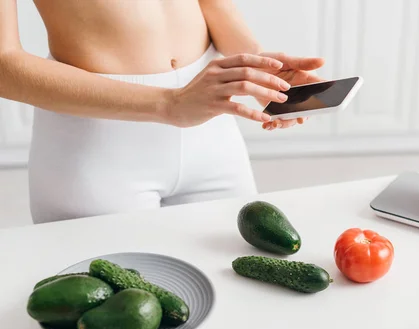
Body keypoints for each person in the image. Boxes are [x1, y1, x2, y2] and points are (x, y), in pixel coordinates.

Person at [0, 0, 325, 224]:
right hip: (97, 142)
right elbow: (4, 65)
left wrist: (257, 66)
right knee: (120, 312)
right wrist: (168, 104)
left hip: (210, 126)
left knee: (237, 286)